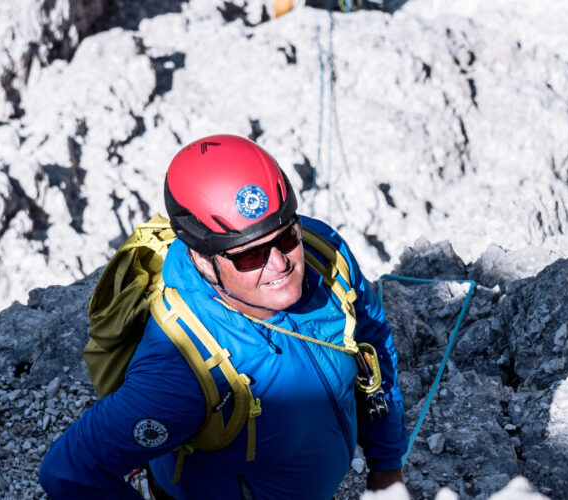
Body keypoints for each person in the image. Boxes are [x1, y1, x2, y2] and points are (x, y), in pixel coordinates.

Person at [39, 134, 407, 499]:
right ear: (202, 259)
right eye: (250, 256)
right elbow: (68, 472)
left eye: (287, 236)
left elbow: (373, 342)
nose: (280, 264)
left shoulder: (324, 257)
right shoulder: (181, 367)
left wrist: (387, 467)